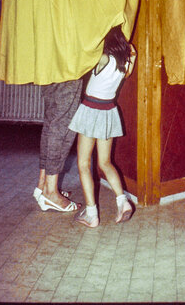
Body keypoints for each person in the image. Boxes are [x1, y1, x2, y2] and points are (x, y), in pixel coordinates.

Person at [68, 25, 137, 228]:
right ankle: (122, 201)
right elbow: (127, 72)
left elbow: (80, 60)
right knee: (105, 163)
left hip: (91, 109)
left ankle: (91, 214)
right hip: (108, 110)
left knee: (83, 164)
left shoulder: (102, 56)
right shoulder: (129, 54)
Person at [34, 79, 83, 212]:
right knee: (63, 124)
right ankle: (50, 192)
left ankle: (43, 185)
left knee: (52, 119)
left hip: (49, 66)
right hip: (67, 66)